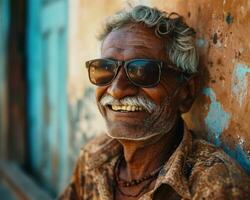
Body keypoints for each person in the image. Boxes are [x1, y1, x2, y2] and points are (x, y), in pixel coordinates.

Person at [58, 5, 250, 200]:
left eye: (142, 71)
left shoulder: (215, 185)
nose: (116, 90)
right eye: (105, 68)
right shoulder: (94, 157)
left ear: (186, 92)